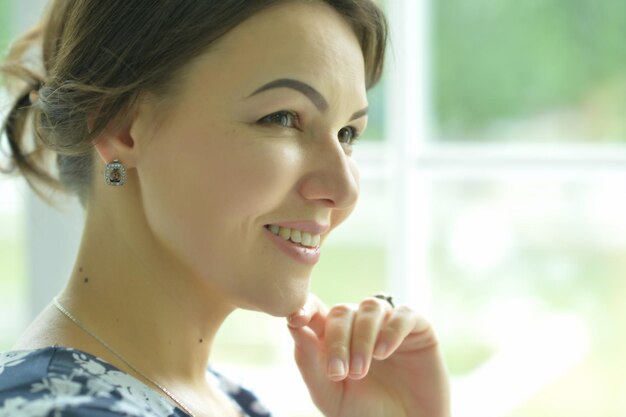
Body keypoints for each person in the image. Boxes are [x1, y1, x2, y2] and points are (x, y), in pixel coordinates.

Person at [0, 1, 450, 416]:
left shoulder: (227, 400)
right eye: (283, 118)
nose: (345, 189)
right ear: (121, 129)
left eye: (348, 134)